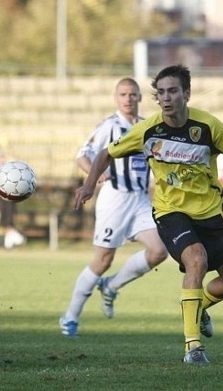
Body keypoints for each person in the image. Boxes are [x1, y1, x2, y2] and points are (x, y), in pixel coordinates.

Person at [74, 65, 223, 366]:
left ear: (186, 94)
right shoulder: (148, 130)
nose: (166, 98)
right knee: (196, 258)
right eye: (161, 93)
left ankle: (199, 305)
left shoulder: (207, 126)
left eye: (172, 91)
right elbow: (104, 154)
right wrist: (88, 186)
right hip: (170, 212)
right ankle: (193, 347)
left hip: (209, 214)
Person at [59, 78, 168, 337]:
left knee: (159, 250)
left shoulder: (146, 127)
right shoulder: (109, 126)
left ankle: (111, 288)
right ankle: (70, 317)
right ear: (116, 98)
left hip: (140, 199)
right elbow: (81, 155)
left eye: (133, 94)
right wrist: (95, 175)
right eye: (123, 94)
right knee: (103, 260)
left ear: (140, 98)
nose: (128, 98)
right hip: (115, 198)